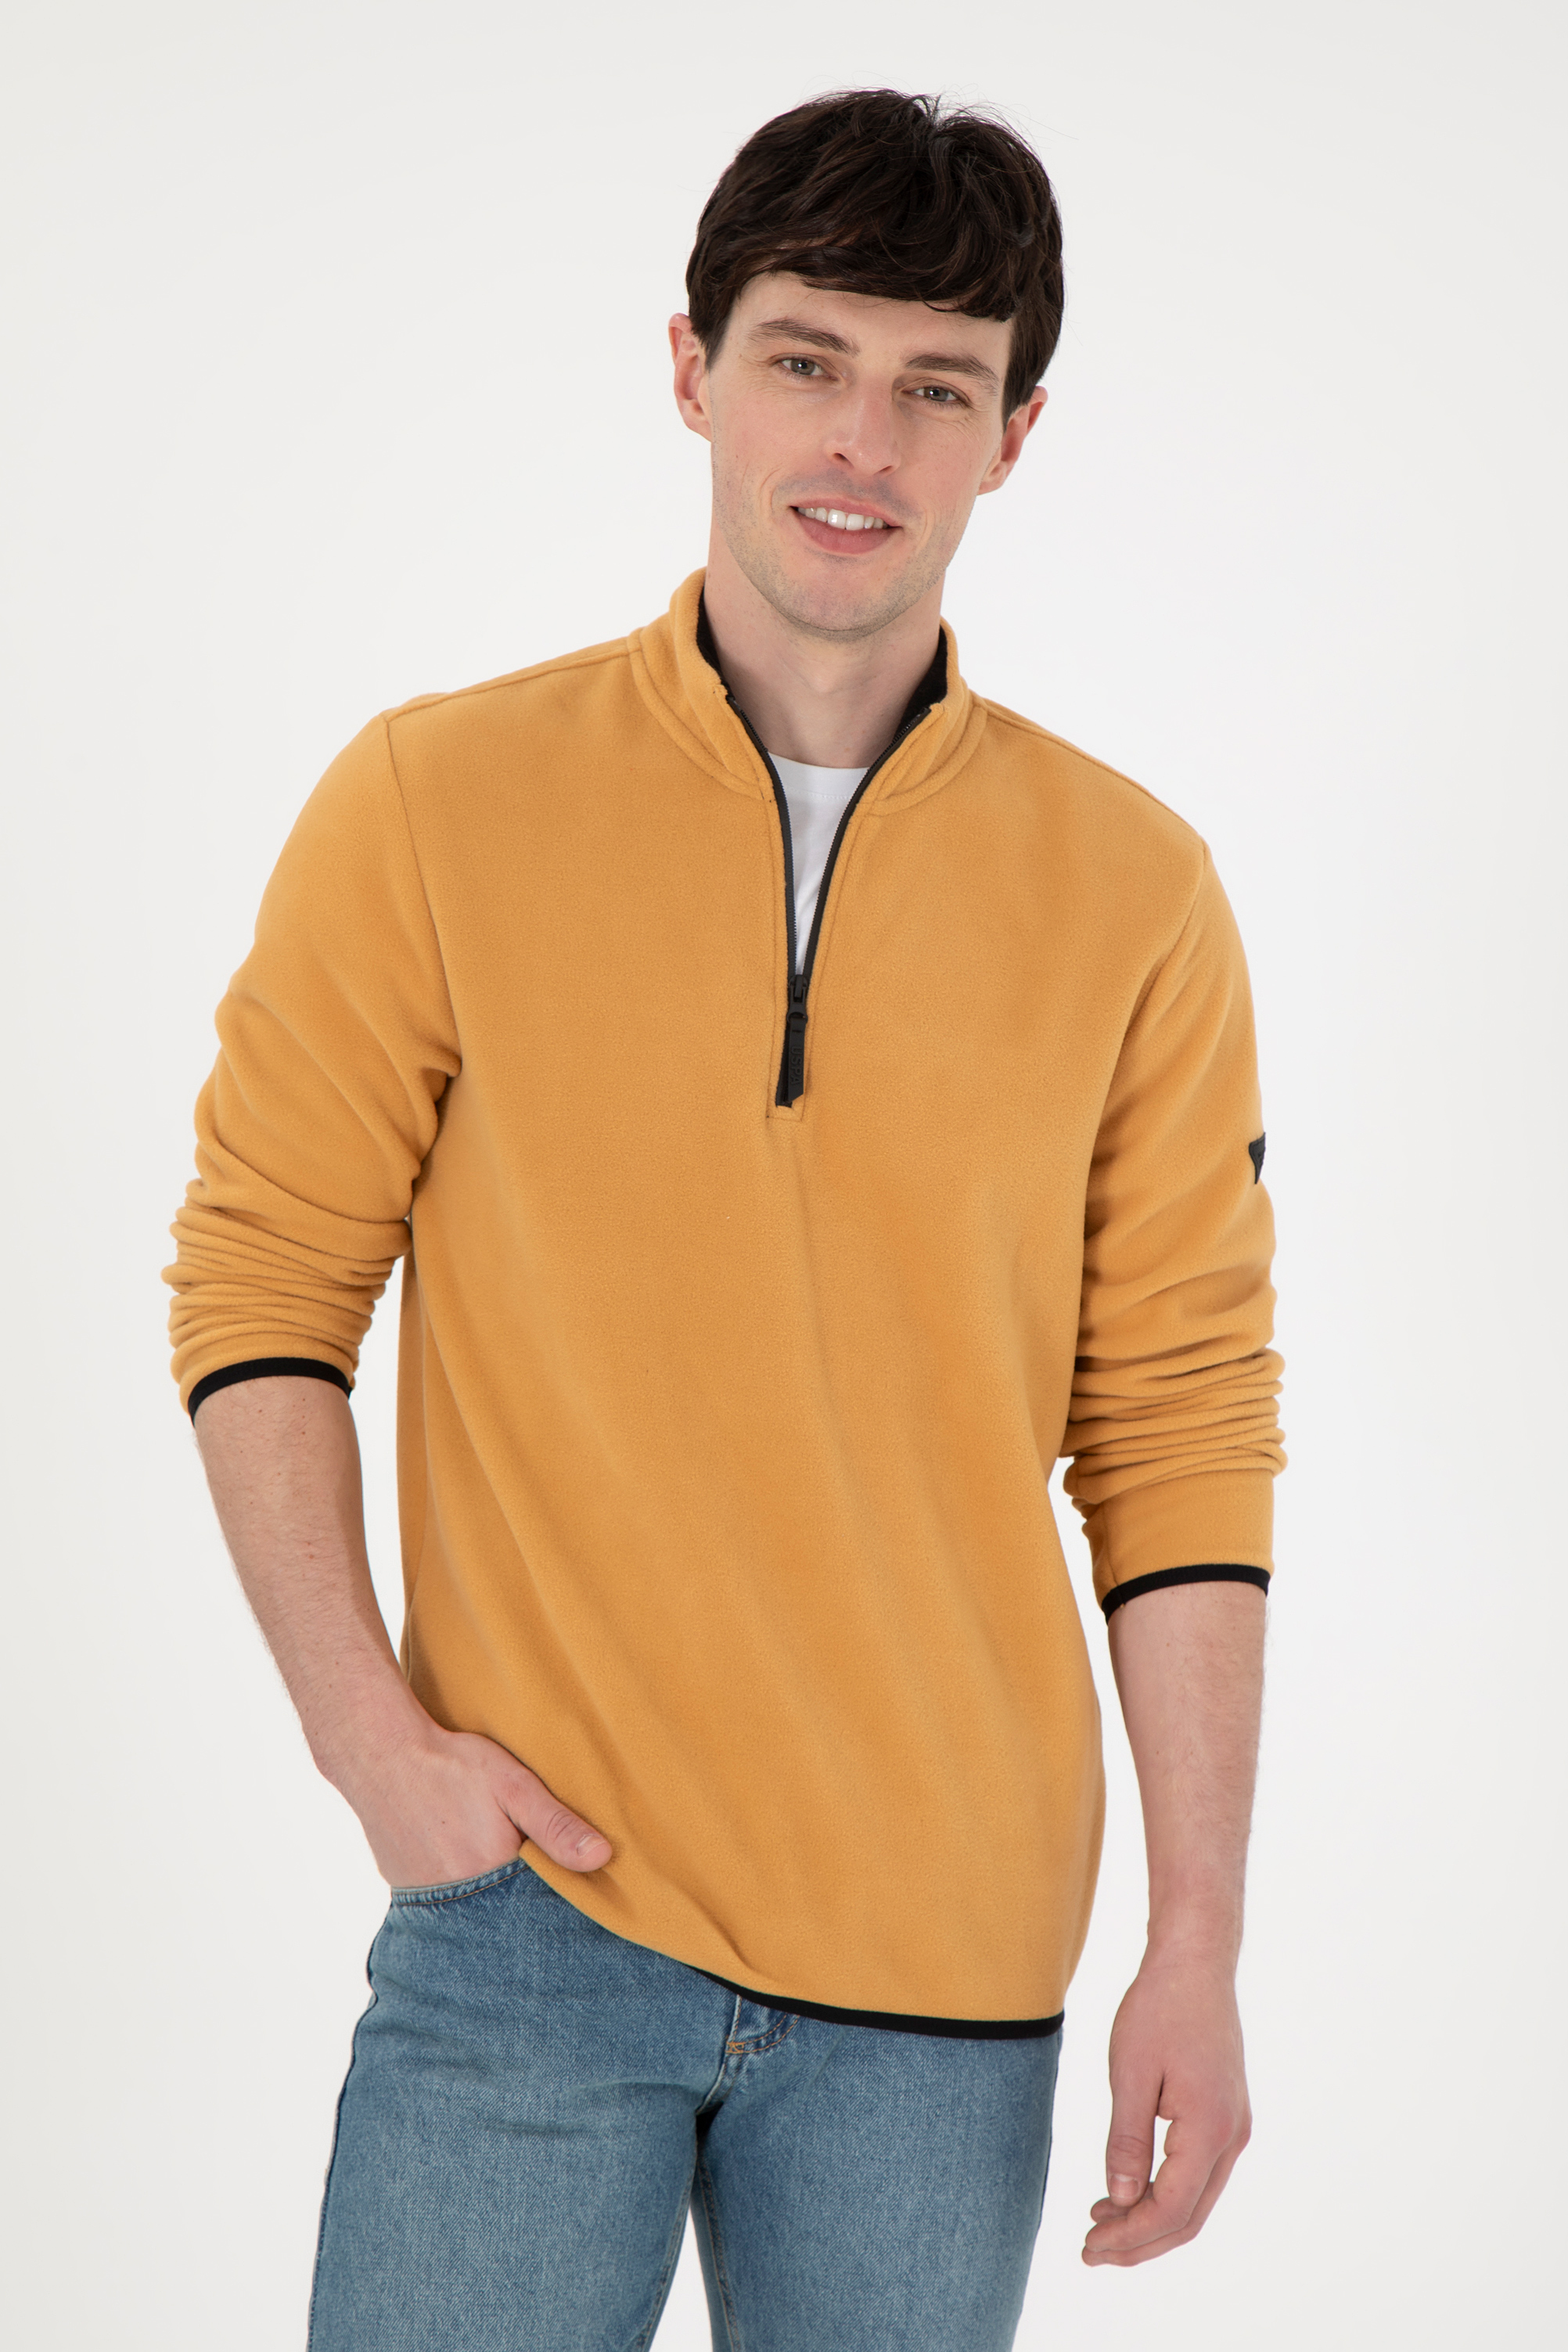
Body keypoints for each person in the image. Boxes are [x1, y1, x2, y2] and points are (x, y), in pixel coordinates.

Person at [167, 87, 1284, 2352]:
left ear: (1013, 436)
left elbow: (1179, 1429)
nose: (861, 439)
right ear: (690, 370)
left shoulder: (1135, 893)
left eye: (936, 385)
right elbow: (263, 1283)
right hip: (528, 1927)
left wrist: (1195, 1943)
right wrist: (370, 1743)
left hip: (945, 1974)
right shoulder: (435, 802)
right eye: (805, 359)